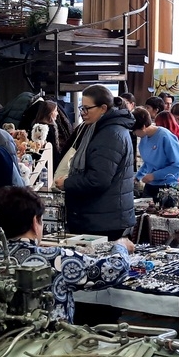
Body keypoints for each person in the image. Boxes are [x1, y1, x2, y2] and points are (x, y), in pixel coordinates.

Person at [0, 185, 133, 322]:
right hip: (52, 337)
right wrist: (121, 246)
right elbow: (115, 269)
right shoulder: (55, 259)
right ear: (35, 222)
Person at [53, 85, 136, 240]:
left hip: (104, 221)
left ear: (103, 108)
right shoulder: (101, 129)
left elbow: (98, 179)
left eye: (87, 108)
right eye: (81, 108)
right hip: (101, 216)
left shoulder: (110, 134)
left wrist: (68, 183)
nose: (82, 113)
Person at [133, 107, 179, 198]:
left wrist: (154, 176)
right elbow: (148, 162)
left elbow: (178, 165)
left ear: (143, 126)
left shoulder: (165, 136)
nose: (134, 133)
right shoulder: (144, 138)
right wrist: (138, 177)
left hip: (168, 186)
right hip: (150, 185)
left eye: (134, 130)